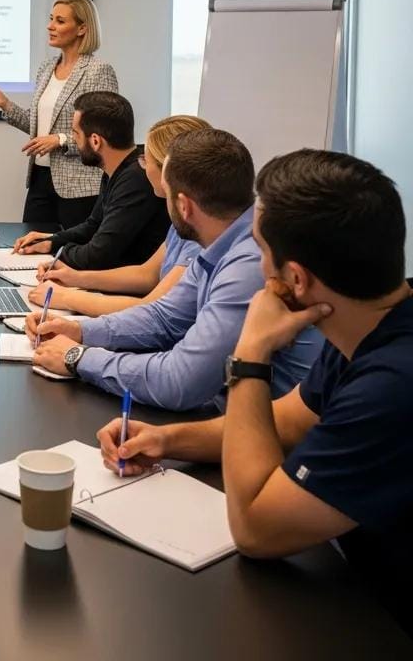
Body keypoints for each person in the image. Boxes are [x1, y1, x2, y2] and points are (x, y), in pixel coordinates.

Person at [96, 150, 413, 637]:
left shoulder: (392, 386)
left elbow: (255, 529)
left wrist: (252, 351)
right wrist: (167, 439)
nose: (255, 264)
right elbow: (288, 421)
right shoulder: (369, 325)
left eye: (260, 249)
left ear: (296, 280)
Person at [29, 128, 322, 411]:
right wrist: (80, 330)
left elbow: (179, 380)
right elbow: (164, 317)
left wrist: (79, 357)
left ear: (184, 206)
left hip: (255, 426)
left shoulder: (247, 264)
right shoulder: (222, 241)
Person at [27, 115, 209, 314]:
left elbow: (155, 310)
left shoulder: (199, 232)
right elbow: (146, 275)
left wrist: (66, 298)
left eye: (145, 160)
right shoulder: (181, 221)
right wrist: (75, 278)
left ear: (167, 171)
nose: (142, 167)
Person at [0, 0, 118, 228]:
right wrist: (5, 104)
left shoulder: (98, 71)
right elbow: (38, 128)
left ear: (82, 29)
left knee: (73, 248)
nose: (50, 26)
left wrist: (61, 140)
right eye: (51, 19)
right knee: (30, 244)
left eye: (60, 21)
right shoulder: (46, 68)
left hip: (79, 185)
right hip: (40, 178)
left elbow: (104, 134)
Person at [13, 92, 168, 271]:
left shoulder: (135, 179)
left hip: (125, 281)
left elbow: (98, 254)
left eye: (76, 134)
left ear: (95, 141)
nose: (74, 141)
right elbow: (93, 226)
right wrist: (52, 241)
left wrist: (56, 257)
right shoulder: (117, 169)